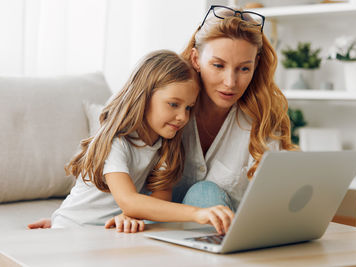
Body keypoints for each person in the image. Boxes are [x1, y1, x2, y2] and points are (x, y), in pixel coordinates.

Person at [105, 5, 296, 231]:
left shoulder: (261, 120)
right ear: (196, 59)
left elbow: (275, 202)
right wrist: (130, 214)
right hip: (159, 230)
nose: (230, 82)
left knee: (205, 193)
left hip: (223, 235)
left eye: (244, 69)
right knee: (204, 193)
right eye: (218, 65)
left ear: (255, 65)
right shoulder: (163, 111)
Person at [28, 50, 234, 234]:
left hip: (111, 232)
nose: (183, 117)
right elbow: (128, 200)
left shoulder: (166, 145)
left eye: (188, 108)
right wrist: (197, 214)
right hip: (72, 229)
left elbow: (161, 197)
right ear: (143, 98)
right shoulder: (116, 142)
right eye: (173, 104)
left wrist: (133, 216)